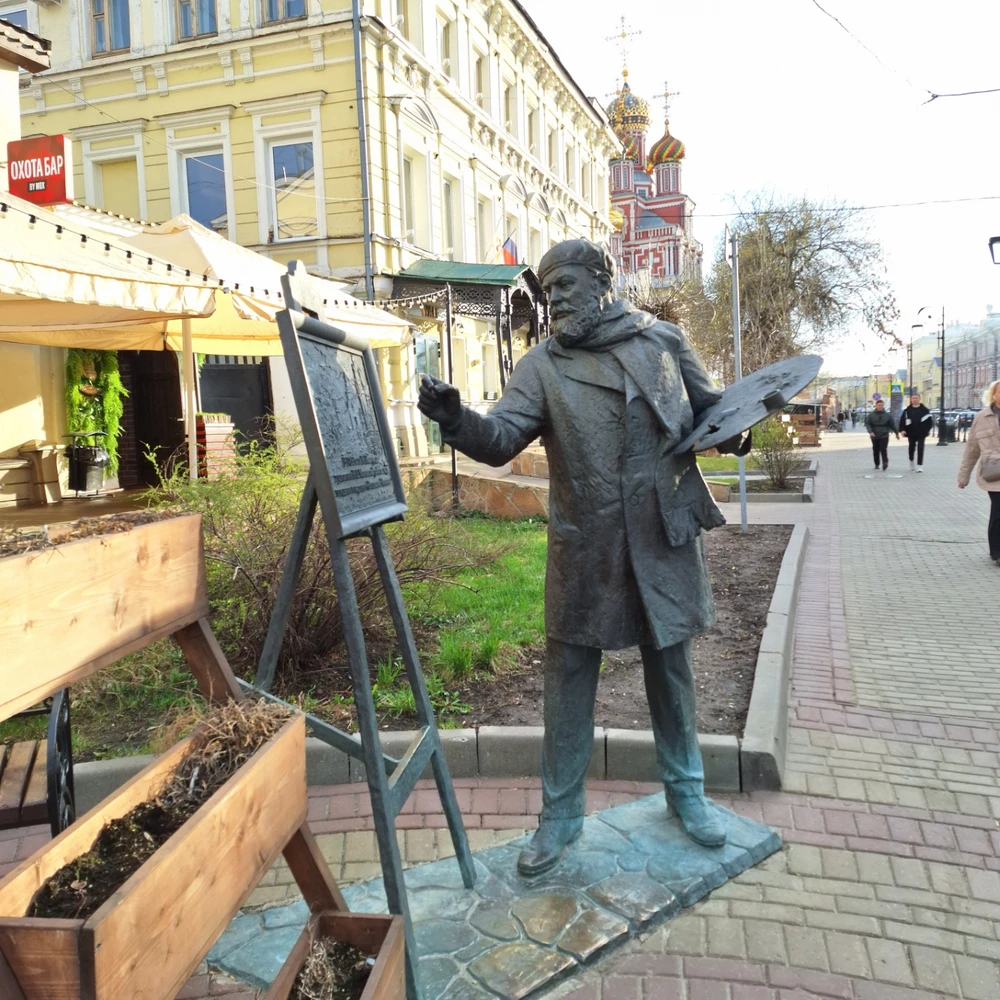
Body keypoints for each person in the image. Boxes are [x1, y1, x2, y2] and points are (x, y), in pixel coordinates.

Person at [418, 239, 742, 875]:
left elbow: (715, 413)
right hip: (586, 542)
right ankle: (560, 817)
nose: (555, 299)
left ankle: (687, 793)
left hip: (660, 535)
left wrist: (746, 424)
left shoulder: (664, 342)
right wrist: (458, 420)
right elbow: (502, 437)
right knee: (568, 678)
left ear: (601, 281)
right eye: (548, 290)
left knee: (671, 669)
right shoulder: (542, 365)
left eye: (566, 284)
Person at [957, 379, 1000, 566]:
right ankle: (997, 552)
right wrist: (963, 476)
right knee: (998, 510)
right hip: (994, 470)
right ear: (994, 395)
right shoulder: (982, 418)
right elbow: (972, 449)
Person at [900, 392, 933, 472]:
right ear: (911, 400)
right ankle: (911, 461)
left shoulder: (924, 410)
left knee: (920, 448)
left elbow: (930, 422)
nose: (914, 400)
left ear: (919, 399)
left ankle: (919, 465)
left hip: (921, 432)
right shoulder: (907, 410)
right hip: (911, 432)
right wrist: (902, 430)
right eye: (913, 398)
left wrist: (927, 430)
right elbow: (902, 421)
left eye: (916, 398)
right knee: (911, 448)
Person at [865, 398, 898, 470]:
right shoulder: (871, 415)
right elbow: (868, 424)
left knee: (883, 449)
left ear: (883, 406)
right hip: (874, 434)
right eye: (879, 405)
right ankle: (877, 463)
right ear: (876, 406)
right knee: (875, 449)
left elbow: (892, 425)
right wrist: (870, 432)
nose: (880, 406)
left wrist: (896, 433)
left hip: (884, 434)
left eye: (881, 405)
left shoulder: (888, 415)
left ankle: (885, 462)